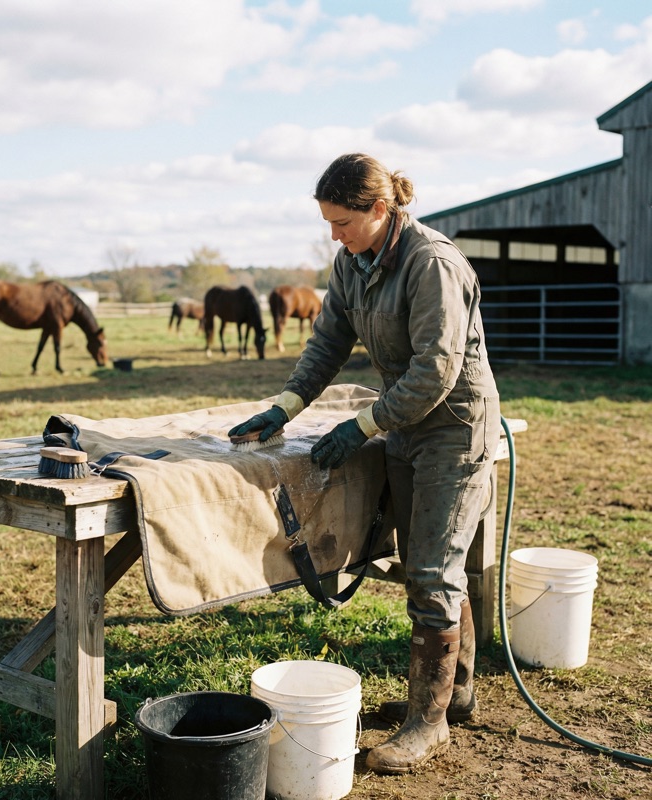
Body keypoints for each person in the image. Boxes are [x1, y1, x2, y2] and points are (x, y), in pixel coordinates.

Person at [228, 153, 501, 774]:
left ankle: (427, 725)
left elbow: (436, 368)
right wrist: (285, 407)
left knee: (432, 570)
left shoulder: (432, 263)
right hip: (404, 425)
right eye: (328, 223)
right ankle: (454, 694)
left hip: (453, 429)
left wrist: (361, 426)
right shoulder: (352, 262)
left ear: (381, 209)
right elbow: (328, 340)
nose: (335, 235)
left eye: (343, 222)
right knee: (430, 561)